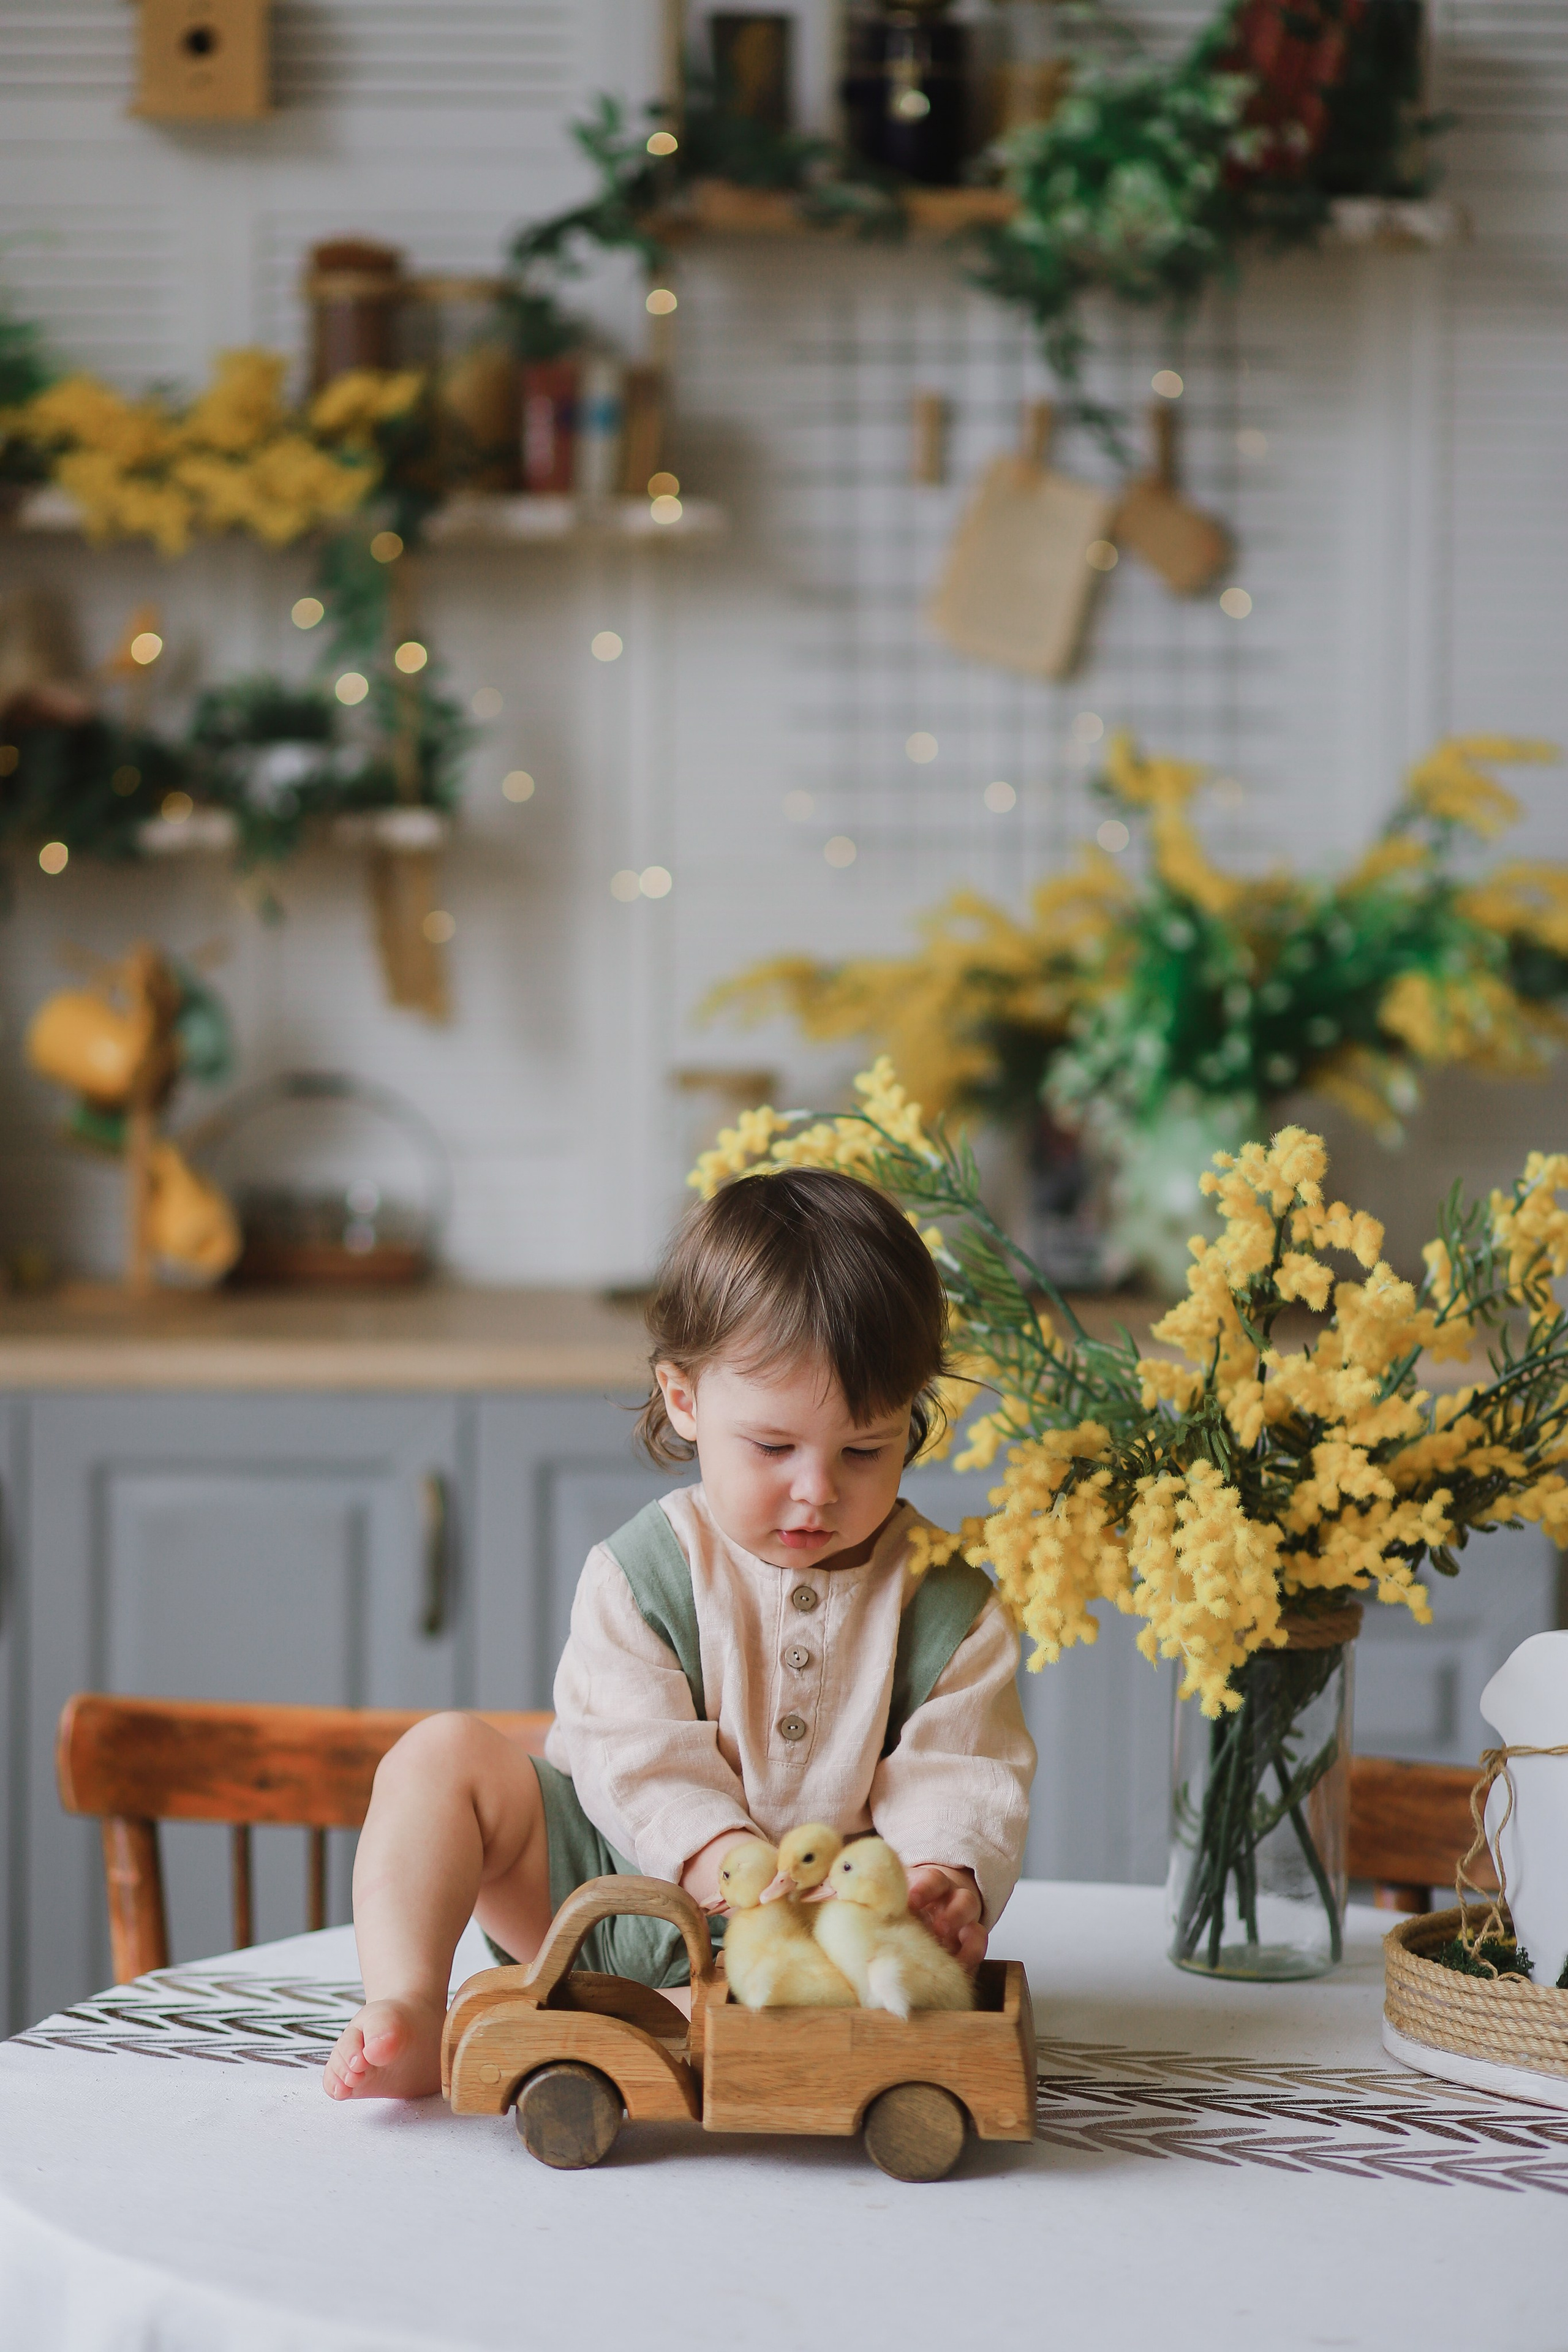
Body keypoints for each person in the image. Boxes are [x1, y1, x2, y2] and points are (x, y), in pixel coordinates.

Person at [324, 1166, 1035, 2099]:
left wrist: (944, 1875)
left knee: (925, 1870)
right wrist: (712, 1857)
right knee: (437, 1754)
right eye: (775, 1447)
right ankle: (411, 2006)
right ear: (685, 1399)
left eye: (866, 1449)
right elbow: (629, 1749)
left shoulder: (946, 1605)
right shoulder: (643, 1571)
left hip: (824, 1934)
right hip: (605, 1891)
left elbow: (964, 1769)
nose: (819, 1489)